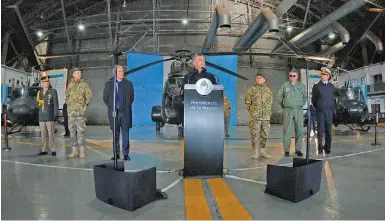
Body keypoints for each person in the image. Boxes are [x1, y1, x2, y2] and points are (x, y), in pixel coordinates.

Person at [103, 65, 134, 161]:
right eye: (120, 71)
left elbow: (132, 97)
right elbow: (105, 98)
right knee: (115, 134)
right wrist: (112, 107)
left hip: (125, 113)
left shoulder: (129, 84)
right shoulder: (109, 84)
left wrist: (126, 105)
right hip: (114, 113)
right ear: (115, 73)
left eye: (122, 71)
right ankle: (116, 154)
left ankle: (125, 154)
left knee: (125, 134)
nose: (122, 73)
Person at [278, 68, 306, 157]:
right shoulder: (285, 86)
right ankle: (286, 150)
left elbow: (305, 97)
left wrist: (301, 104)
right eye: (290, 76)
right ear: (289, 76)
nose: (292, 77)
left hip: (298, 110)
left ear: (297, 76)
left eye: (294, 76)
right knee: (287, 131)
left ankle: (298, 150)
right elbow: (279, 97)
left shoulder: (301, 86)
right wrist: (284, 106)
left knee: (300, 130)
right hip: (288, 111)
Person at [245, 73, 273, 159]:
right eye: (257, 78)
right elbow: (247, 101)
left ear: (264, 80)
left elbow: (270, 102)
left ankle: (263, 151)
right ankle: (256, 152)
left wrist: (267, 111)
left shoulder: (268, 90)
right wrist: (252, 111)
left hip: (265, 117)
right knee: (255, 134)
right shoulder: (251, 90)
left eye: (260, 77)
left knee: (265, 134)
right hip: (255, 117)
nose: (258, 79)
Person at [66, 67, 92, 159]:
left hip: (80, 114)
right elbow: (67, 96)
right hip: (71, 114)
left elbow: (89, 97)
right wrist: (70, 106)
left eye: (80, 73)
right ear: (73, 74)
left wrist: (83, 106)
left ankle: (81, 151)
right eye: (77, 73)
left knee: (81, 132)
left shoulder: (84, 85)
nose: (79, 74)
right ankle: (74, 151)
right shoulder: (70, 85)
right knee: (72, 133)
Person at [312, 67, 337, 154]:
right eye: (322, 74)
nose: (324, 76)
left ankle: (327, 148)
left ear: (328, 76)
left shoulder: (332, 86)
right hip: (321, 112)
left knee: (328, 132)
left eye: (325, 74)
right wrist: (319, 107)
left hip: (329, 112)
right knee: (320, 131)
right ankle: (319, 148)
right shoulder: (317, 86)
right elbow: (313, 100)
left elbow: (334, 97)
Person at [36, 72, 59, 156]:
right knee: (43, 134)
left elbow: (56, 103)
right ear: (42, 83)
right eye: (45, 82)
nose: (47, 83)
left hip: (49, 115)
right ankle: (43, 150)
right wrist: (39, 103)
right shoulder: (40, 92)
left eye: (48, 82)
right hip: (41, 116)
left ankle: (53, 150)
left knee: (51, 134)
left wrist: (55, 114)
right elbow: (36, 104)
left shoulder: (53, 91)